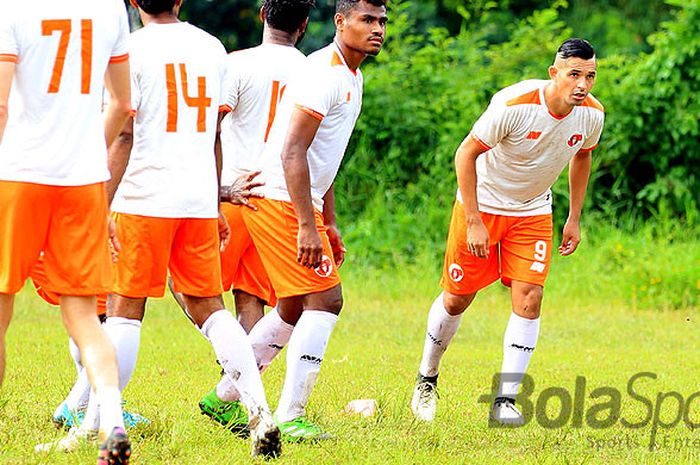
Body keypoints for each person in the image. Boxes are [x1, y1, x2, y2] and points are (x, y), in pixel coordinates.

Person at [45, 0, 281, 458]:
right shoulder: (212, 48)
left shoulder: (128, 48)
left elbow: (124, 135)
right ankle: (261, 412)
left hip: (143, 198)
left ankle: (99, 424)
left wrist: (99, 203)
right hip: (194, 197)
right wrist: (214, 201)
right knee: (211, 310)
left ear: (134, 2)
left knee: (123, 312)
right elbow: (214, 134)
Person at [410, 38, 605, 425]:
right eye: (574, 75)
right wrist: (474, 221)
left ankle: (505, 401)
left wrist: (574, 217)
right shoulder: (515, 105)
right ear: (555, 74)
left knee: (530, 297)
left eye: (590, 76)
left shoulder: (592, 115)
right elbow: (465, 153)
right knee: (456, 300)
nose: (582, 84)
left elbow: (582, 158)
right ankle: (426, 378)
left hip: (533, 211)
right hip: (482, 206)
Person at [238, 0, 387, 441]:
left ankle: (225, 396)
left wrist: (329, 221)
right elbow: (292, 152)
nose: (377, 29)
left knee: (290, 306)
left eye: (381, 21)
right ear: (340, 22)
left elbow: (325, 157)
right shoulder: (324, 71)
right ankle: (290, 414)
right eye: (367, 20)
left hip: (299, 200)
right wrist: (308, 224)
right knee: (326, 301)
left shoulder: (352, 75)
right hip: (280, 199)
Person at [0, 0, 134, 463]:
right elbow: (122, 103)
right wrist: (84, 156)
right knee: (82, 316)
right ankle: (112, 420)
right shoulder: (109, 9)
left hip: (17, 174)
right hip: (82, 181)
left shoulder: (13, 7)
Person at [194, 0, 315, 433]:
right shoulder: (313, 69)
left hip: (229, 194)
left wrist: (216, 190)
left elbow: (209, 127)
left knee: (192, 290)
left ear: (262, 15)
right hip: (276, 199)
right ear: (304, 24)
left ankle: (234, 378)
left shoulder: (236, 63)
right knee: (253, 298)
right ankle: (241, 393)